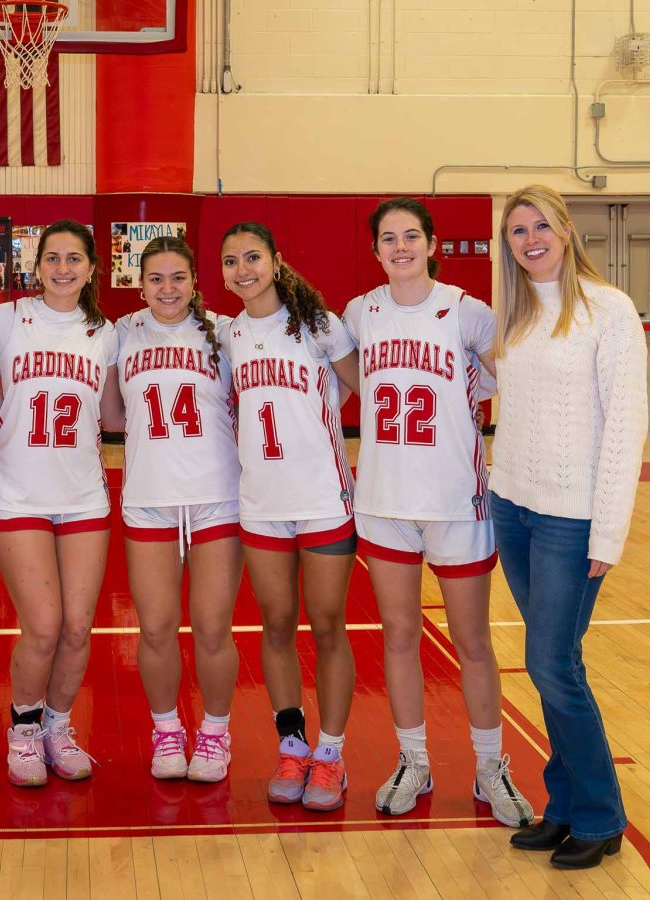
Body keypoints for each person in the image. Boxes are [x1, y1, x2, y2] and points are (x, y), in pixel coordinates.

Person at [341, 197, 533, 828]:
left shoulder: (467, 311)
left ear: (431, 244)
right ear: (374, 250)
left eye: (410, 236)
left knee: (473, 641)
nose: (400, 247)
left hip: (456, 500)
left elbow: (512, 379)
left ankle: (490, 766)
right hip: (385, 500)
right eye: (388, 238)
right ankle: (414, 759)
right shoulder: (360, 313)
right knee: (399, 636)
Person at [491, 185, 646, 869]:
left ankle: (601, 816)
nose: (530, 240)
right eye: (517, 230)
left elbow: (625, 427)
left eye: (540, 226)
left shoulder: (608, 310)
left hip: (571, 519)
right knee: (552, 664)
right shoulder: (518, 312)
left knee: (552, 665)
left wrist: (607, 532)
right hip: (514, 509)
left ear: (565, 229)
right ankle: (563, 807)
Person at [220, 222, 359, 811]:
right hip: (262, 504)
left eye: (253, 257)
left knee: (327, 626)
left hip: (323, 498)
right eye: (231, 261)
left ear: (276, 261)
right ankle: (292, 743)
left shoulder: (320, 325)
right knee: (276, 625)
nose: (243, 270)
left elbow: (365, 388)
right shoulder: (228, 335)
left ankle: (331, 753)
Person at [0, 220, 122, 786]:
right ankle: (23, 729)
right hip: (17, 493)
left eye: (74, 258)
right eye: (53, 258)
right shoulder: (4, 320)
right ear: (36, 266)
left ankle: (58, 727)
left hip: (83, 495)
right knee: (43, 625)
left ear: (91, 269)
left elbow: (112, 414)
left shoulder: (106, 333)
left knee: (78, 628)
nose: (63, 268)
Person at [111, 236, 242, 783]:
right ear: (140, 285)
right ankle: (166, 729)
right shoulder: (122, 333)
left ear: (194, 282)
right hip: (149, 498)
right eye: (156, 279)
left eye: (178, 277)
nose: (168, 289)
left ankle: (215, 731)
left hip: (217, 498)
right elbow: (112, 415)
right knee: (157, 627)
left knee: (212, 627)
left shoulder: (227, 332)